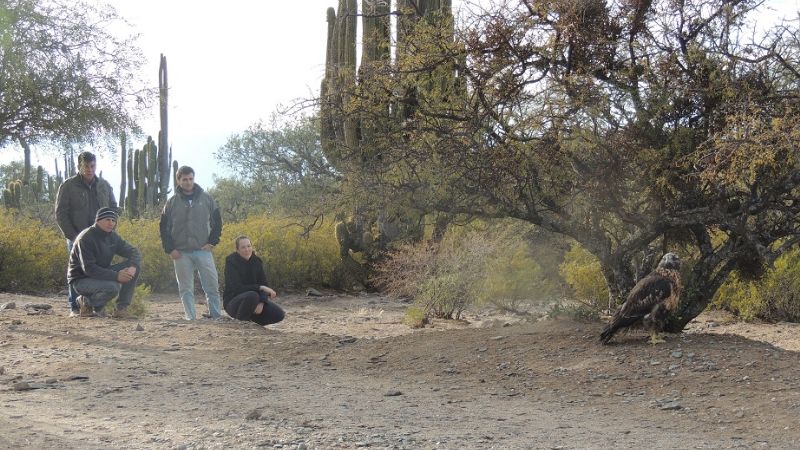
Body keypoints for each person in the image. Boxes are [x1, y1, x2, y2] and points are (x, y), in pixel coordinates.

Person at [55, 151, 117, 317]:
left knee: (100, 270)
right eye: (86, 166)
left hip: (100, 238)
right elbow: (61, 213)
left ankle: (95, 307)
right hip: (77, 238)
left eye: (92, 166)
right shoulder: (68, 186)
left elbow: (113, 208)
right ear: (79, 166)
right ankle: (75, 308)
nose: (89, 169)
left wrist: (110, 229)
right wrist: (73, 237)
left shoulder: (104, 185)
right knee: (76, 272)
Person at [159, 166, 223, 320]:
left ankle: (216, 316)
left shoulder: (207, 199)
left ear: (194, 178)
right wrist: (170, 249)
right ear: (178, 181)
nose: (188, 182)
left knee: (212, 286)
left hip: (203, 250)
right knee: (186, 288)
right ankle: (191, 318)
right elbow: (163, 227)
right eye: (184, 179)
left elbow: (218, 222)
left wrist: (212, 242)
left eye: (190, 179)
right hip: (180, 252)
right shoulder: (171, 202)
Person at [67, 207, 140, 318]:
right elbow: (89, 269)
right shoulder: (86, 238)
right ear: (98, 220)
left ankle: (121, 309)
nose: (111, 223)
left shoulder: (112, 236)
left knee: (134, 267)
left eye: (113, 220)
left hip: (100, 274)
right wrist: (117, 276)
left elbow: (134, 251)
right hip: (81, 279)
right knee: (113, 287)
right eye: (107, 219)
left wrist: (133, 267)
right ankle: (85, 302)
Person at [223, 235, 285, 326]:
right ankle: (241, 323)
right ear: (237, 250)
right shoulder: (231, 262)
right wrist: (260, 287)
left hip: (254, 300)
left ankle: (252, 323)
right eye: (243, 247)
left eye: (249, 246)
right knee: (252, 295)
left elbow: (264, 283)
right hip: (233, 302)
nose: (247, 249)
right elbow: (237, 288)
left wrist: (262, 302)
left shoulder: (257, 261)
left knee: (279, 314)